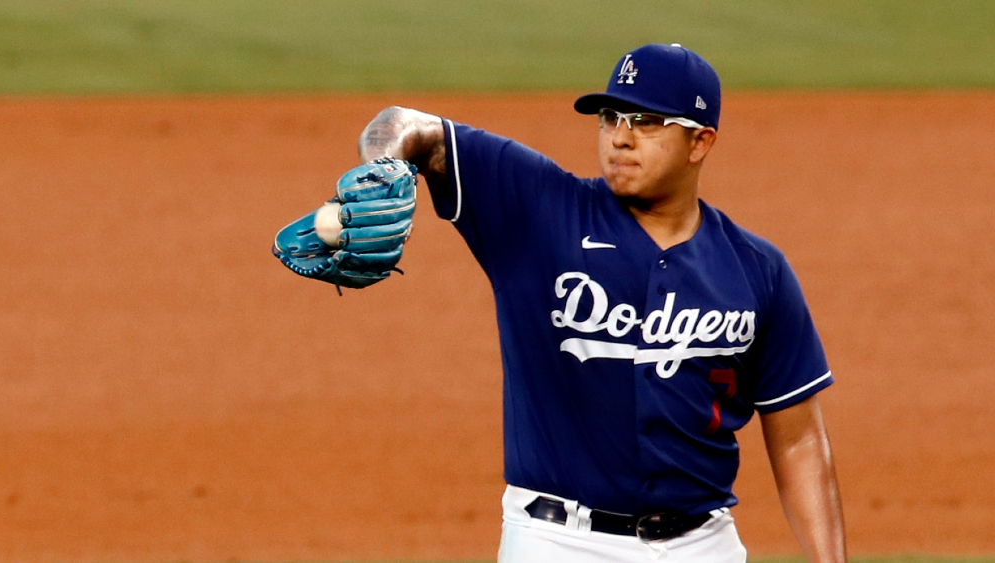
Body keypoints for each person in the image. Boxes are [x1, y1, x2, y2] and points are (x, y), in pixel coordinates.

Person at [350, 43, 846, 563]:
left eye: (647, 121)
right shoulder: (538, 209)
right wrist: (380, 170)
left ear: (700, 142)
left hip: (705, 545)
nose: (620, 137)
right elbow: (407, 127)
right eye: (610, 117)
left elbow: (798, 441)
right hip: (558, 542)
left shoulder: (757, 269)